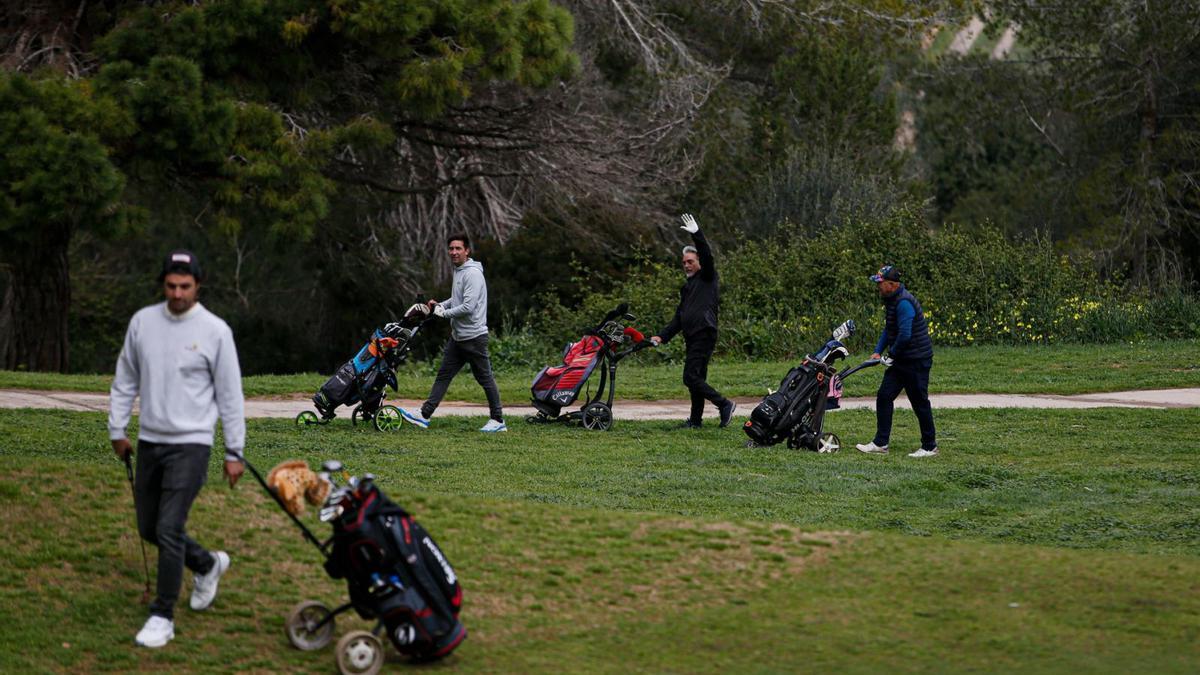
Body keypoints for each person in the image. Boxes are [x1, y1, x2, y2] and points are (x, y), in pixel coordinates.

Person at [109, 250, 247, 648]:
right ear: (163, 285)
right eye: (171, 286)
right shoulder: (143, 323)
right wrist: (117, 428)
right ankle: (207, 564)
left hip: (192, 444)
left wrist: (234, 452)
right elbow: (125, 379)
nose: (177, 293)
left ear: (198, 286)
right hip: (151, 440)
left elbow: (230, 395)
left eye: (185, 286)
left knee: (169, 527)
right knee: (149, 528)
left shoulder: (215, 330)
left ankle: (162, 615)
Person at [401, 234, 506, 432]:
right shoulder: (459, 270)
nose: (454, 252)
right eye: (451, 249)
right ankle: (424, 415)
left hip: (474, 338)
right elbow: (457, 298)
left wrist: (443, 313)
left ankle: (498, 421)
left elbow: (468, 306)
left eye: (458, 248)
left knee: (485, 379)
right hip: (458, 338)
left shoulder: (472, 274)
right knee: (443, 376)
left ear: (467, 251)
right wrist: (440, 305)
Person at [650, 214, 736, 428]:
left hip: (704, 333)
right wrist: (662, 336)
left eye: (690, 261)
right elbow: (679, 317)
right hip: (693, 335)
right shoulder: (688, 287)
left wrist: (697, 234)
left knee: (690, 377)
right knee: (696, 379)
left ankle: (724, 404)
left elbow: (707, 255)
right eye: (684, 263)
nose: (686, 265)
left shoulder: (708, 277)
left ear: (699, 262)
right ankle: (696, 420)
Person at [855, 264, 938, 458]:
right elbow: (890, 330)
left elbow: (905, 335)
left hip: (916, 360)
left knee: (919, 402)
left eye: (881, 283)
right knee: (884, 396)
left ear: (892, 284)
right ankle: (881, 443)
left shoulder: (903, 303)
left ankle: (929, 446)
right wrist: (877, 352)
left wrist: (890, 355)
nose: (878, 287)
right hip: (902, 359)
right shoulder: (892, 300)